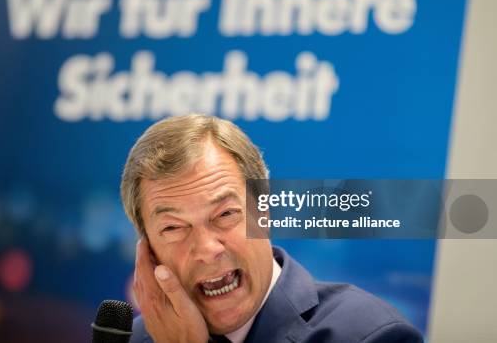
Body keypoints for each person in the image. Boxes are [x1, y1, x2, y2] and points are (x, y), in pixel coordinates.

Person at [120, 114, 423, 343]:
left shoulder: (369, 334)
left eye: (225, 214)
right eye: (173, 228)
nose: (207, 250)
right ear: (148, 251)